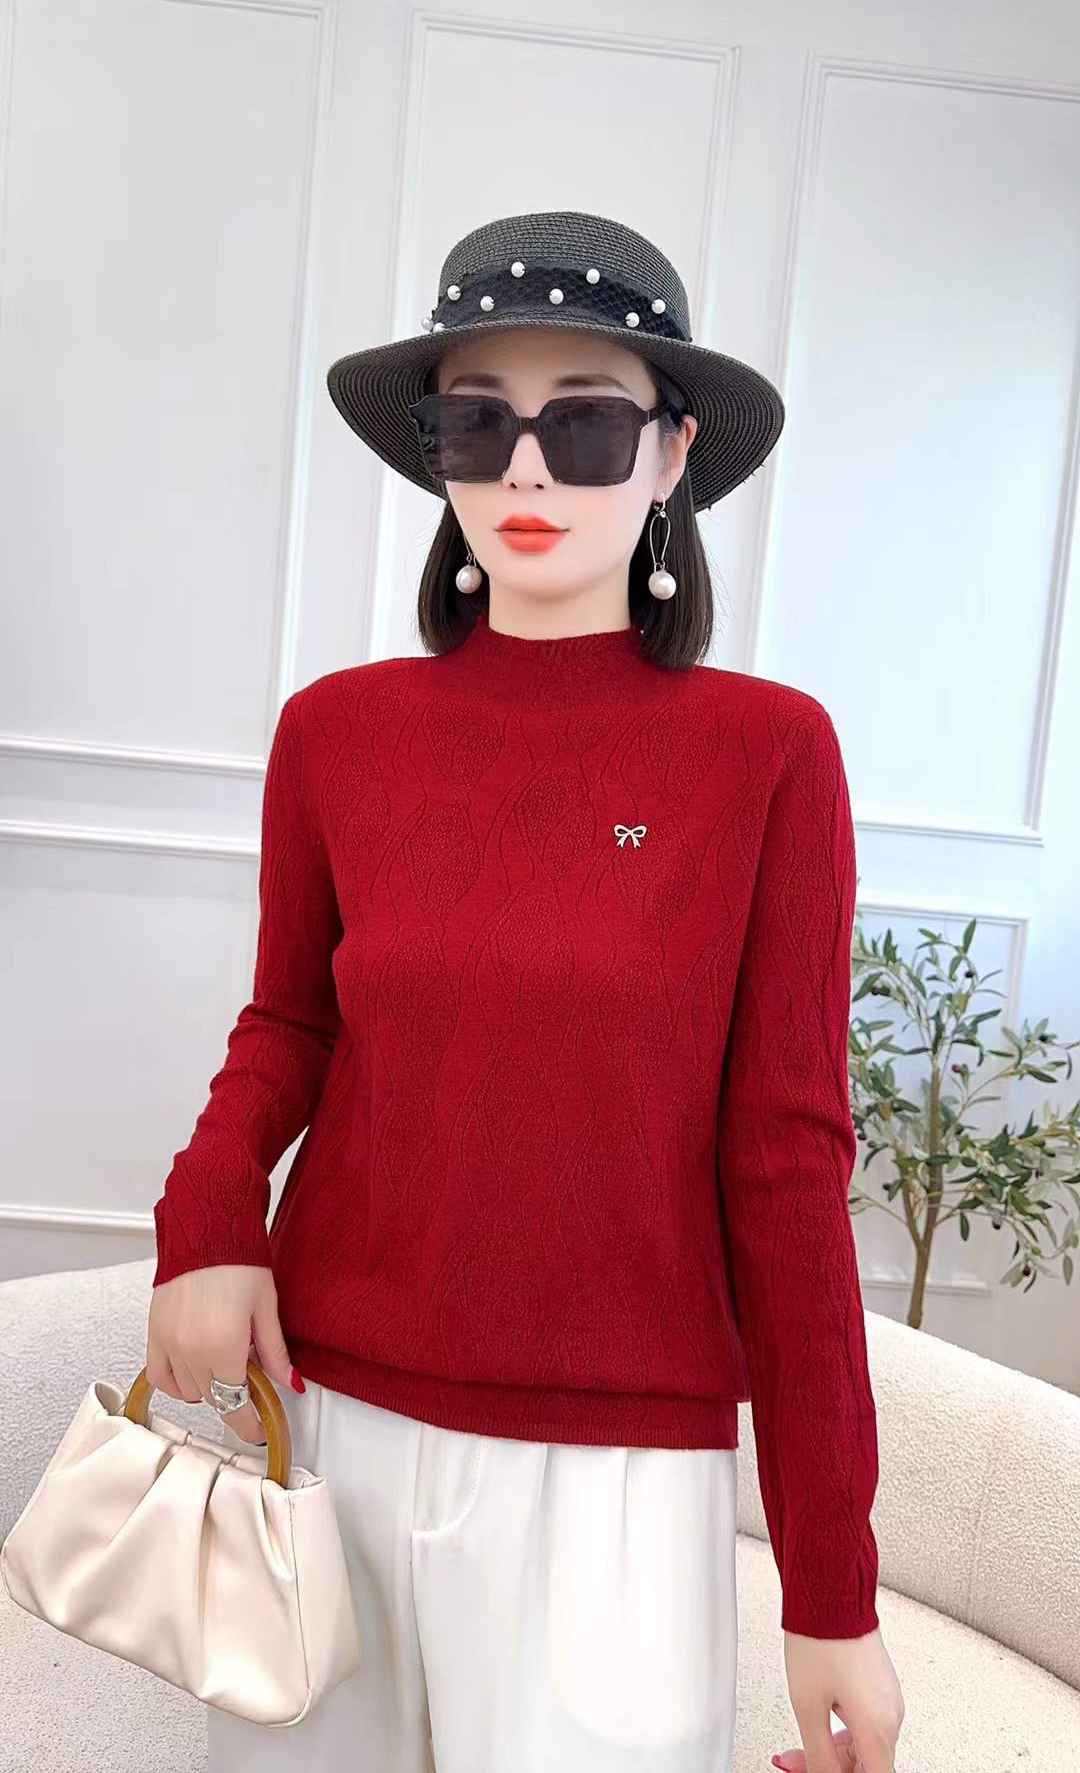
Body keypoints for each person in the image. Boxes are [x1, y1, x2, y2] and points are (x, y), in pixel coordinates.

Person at [146, 210, 905, 1773]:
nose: (529, 473)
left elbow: (785, 1164)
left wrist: (831, 1591)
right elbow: (293, 1026)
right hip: (326, 1422)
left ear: (672, 452)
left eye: (588, 423)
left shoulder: (769, 755)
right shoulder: (336, 734)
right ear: (439, 456)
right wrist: (207, 1217)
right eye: (478, 424)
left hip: (618, 1474)